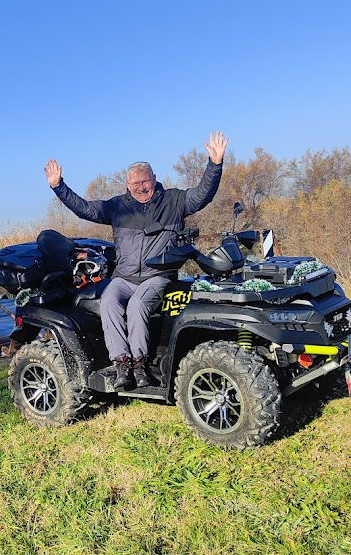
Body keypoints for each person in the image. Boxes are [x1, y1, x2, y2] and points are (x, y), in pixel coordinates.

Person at [43, 132, 228, 389]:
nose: (141, 187)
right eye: (135, 184)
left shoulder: (174, 201)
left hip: (157, 276)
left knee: (137, 305)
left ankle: (140, 363)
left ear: (154, 179)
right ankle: (122, 364)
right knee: (108, 300)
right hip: (124, 277)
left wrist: (215, 164)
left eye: (145, 181)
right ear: (127, 186)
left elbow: (202, 195)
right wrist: (58, 186)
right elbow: (84, 208)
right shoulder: (117, 207)